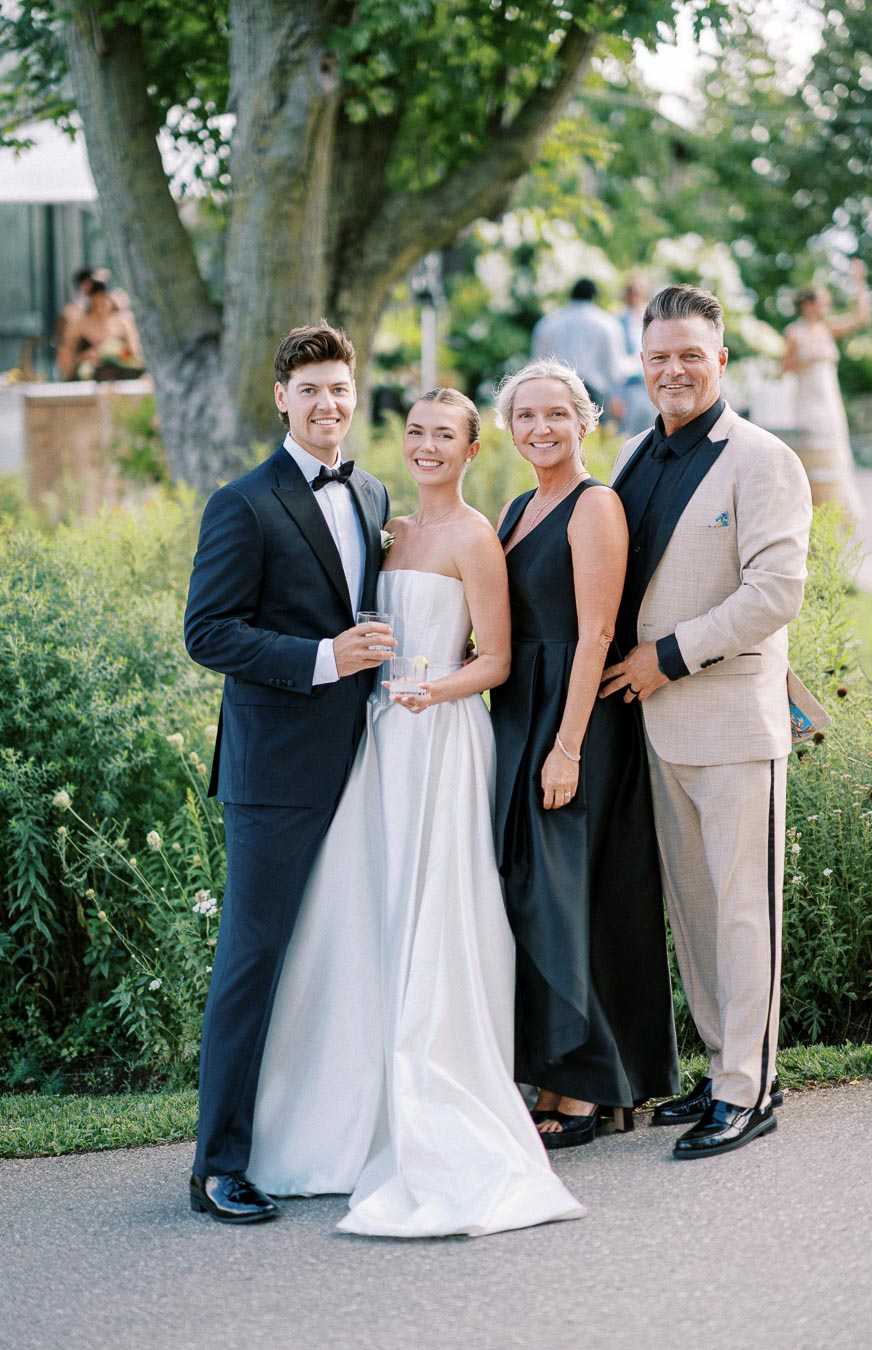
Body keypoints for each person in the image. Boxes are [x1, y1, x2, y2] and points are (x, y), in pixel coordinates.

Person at [248, 388, 584, 1237]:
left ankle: (438, 1091)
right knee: (364, 908)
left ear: (472, 451)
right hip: (380, 739)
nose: (427, 446)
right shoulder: (386, 530)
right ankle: (343, 1113)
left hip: (441, 737)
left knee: (437, 907)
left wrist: (434, 691)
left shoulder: (475, 538)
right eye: (416, 432)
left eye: (445, 436)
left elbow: (497, 659)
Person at [602, 284, 824, 1159]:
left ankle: (750, 1088)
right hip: (652, 727)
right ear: (641, 362)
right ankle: (723, 1064)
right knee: (695, 913)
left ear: (721, 360)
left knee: (742, 913)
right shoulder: (629, 453)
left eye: (690, 355)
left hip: (731, 720)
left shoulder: (764, 459)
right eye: (658, 356)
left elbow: (775, 592)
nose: (673, 370)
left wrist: (667, 656)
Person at [183, 322, 394, 1223]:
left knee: (348, 949)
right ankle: (218, 1166)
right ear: (281, 399)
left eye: (339, 388)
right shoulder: (244, 502)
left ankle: (327, 1137)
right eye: (309, 390)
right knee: (254, 956)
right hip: (275, 770)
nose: (326, 403)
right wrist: (323, 658)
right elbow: (208, 631)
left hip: (371, 758)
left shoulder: (375, 493)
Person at [490, 358, 680, 1151]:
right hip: (520, 714)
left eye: (555, 414)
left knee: (567, 897)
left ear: (584, 420)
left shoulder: (594, 505)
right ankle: (561, 1073)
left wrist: (566, 747)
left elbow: (598, 633)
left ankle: (586, 1089)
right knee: (536, 895)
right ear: (509, 429)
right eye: (525, 416)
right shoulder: (516, 508)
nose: (541, 428)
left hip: (577, 721)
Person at [781, 259, 870, 518]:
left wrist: (859, 283)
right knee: (811, 450)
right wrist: (803, 358)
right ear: (808, 304)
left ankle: (839, 503)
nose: (826, 306)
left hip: (830, 397)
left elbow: (861, 318)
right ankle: (811, 504)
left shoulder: (826, 328)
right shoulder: (794, 332)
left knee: (836, 447)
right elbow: (784, 367)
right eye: (822, 301)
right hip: (808, 399)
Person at [531, 278, 626, 422]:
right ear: (594, 295)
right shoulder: (607, 323)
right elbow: (613, 365)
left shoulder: (548, 323)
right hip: (595, 393)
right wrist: (617, 395)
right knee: (595, 432)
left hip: (557, 389)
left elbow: (538, 362)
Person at [56, 279, 144, 382]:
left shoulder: (124, 322)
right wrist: (86, 357)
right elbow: (66, 358)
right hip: (89, 378)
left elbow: (135, 354)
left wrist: (118, 354)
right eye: (96, 303)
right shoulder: (79, 324)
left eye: (103, 302)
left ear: (112, 301)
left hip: (121, 377)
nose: (100, 308)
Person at [618, 277, 657, 436]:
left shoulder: (655, 321)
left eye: (639, 292)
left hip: (651, 380)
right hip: (629, 385)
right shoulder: (618, 321)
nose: (636, 297)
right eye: (632, 292)